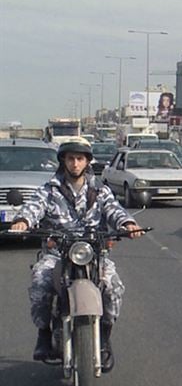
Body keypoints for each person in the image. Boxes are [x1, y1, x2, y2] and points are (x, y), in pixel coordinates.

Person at [9, 140, 142, 368]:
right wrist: (23, 221)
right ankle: (43, 333)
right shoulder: (50, 190)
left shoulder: (99, 190)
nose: (75, 163)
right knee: (40, 281)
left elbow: (113, 209)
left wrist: (128, 223)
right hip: (57, 253)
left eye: (80, 159)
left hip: (93, 252)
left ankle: (104, 337)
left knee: (113, 287)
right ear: (63, 161)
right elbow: (34, 207)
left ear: (88, 162)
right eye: (70, 158)